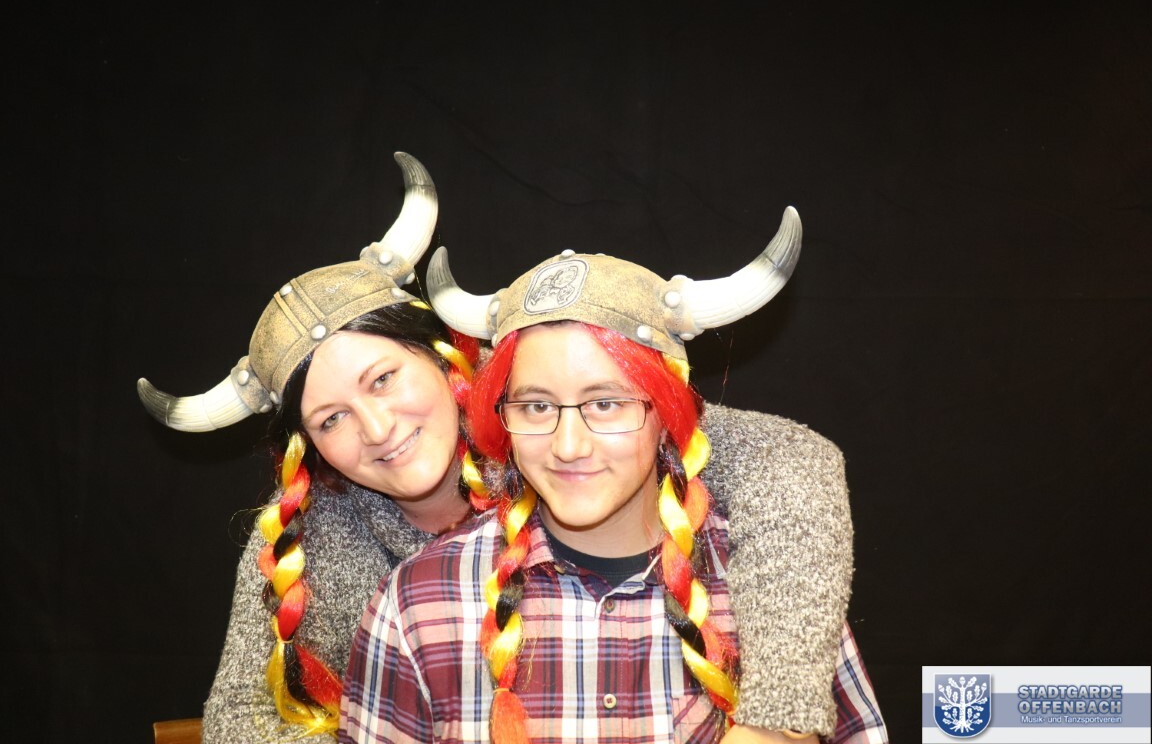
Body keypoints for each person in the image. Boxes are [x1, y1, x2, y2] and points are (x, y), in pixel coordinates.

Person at [139, 154, 876, 743]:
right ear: (308, 447)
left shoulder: (549, 418)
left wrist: (771, 720)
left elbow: (791, 461)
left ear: (450, 358)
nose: (377, 428)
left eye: (385, 379)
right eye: (330, 419)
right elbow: (243, 719)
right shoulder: (316, 536)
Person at [339, 228, 885, 743]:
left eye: (606, 404)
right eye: (535, 407)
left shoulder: (774, 583)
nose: (568, 445)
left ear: (666, 416)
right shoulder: (417, 604)